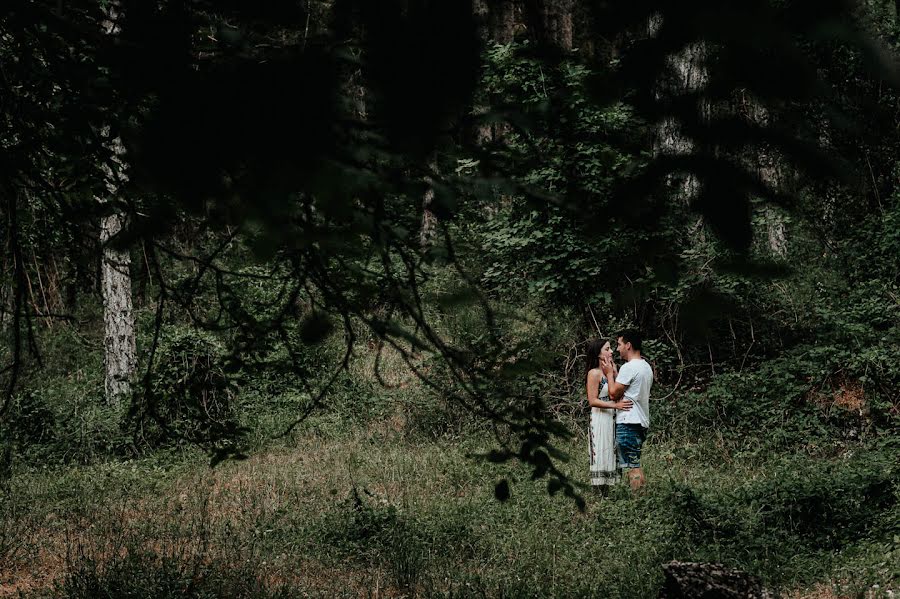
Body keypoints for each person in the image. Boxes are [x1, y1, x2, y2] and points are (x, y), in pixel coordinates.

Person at [601, 329, 653, 491]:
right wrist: (616, 373)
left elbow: (613, 393)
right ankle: (641, 498)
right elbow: (630, 391)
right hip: (640, 421)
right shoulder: (645, 366)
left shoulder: (629, 367)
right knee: (634, 463)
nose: (617, 349)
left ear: (628, 345)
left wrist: (609, 374)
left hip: (629, 422)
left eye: (619, 344)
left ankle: (639, 501)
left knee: (633, 467)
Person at [585, 339, 632, 491]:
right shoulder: (594, 373)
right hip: (600, 418)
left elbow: (619, 391)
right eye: (607, 349)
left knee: (613, 449)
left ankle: (613, 489)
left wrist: (614, 373)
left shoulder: (613, 369)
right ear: (598, 354)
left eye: (611, 348)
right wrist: (615, 405)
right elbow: (592, 400)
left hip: (614, 417)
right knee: (601, 449)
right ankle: (599, 490)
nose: (611, 351)